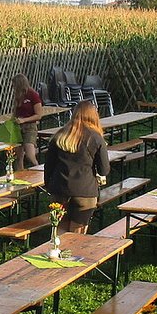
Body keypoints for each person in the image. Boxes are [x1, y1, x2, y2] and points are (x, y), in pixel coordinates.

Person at [43, 100, 110, 233]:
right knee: (77, 236)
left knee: (59, 230)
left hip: (59, 188)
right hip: (85, 192)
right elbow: (104, 170)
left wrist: (48, 185)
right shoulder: (96, 138)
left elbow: (49, 165)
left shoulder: (60, 135)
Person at [11, 73, 43, 168]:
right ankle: (20, 174)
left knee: (30, 155)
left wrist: (24, 120)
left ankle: (39, 171)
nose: (13, 87)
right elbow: (15, 112)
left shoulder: (33, 95)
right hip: (18, 127)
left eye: (14, 85)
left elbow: (38, 115)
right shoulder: (18, 96)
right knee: (18, 157)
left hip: (29, 127)